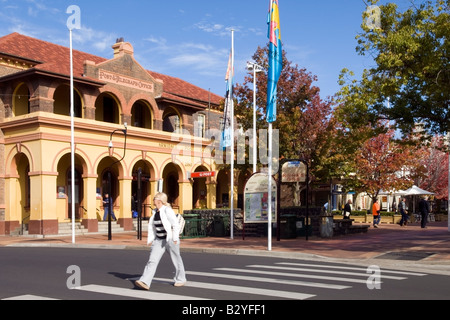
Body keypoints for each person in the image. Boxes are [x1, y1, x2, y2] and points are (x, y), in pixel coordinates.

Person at [135, 192, 186, 290]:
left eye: (154, 198)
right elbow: (153, 227)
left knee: (176, 260)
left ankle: (181, 279)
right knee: (152, 260)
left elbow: (175, 225)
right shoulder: (155, 212)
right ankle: (145, 281)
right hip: (159, 240)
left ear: (159, 201)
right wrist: (151, 239)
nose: (153, 200)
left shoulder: (167, 210)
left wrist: (175, 238)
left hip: (170, 239)